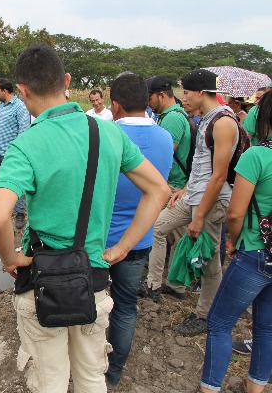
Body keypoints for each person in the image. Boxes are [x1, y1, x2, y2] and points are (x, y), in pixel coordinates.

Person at [0, 44, 169, 393]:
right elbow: (159, 192)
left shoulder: (26, 144)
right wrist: (122, 248)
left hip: (42, 282)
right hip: (94, 276)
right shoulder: (110, 133)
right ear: (67, 80)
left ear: (22, 91)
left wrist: (10, 259)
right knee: (90, 377)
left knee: (49, 381)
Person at [149, 69, 239, 336]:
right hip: (193, 195)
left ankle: (204, 315)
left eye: (187, 93)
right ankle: (157, 285)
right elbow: (202, 166)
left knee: (210, 261)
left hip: (211, 202)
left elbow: (220, 174)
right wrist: (185, 190)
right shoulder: (204, 118)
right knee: (157, 227)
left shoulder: (223, 122)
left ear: (201, 92)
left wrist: (199, 215)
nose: (183, 98)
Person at [198, 91, 272, 393]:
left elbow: (235, 213)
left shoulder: (257, 156)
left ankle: (210, 387)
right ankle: (256, 387)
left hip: (254, 253)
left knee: (219, 323)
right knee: (266, 326)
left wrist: (234, 243)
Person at [105, 73, 174, 388]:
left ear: (115, 105)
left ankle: (89, 365)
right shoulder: (163, 137)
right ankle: (114, 372)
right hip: (140, 239)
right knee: (125, 306)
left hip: (101, 239)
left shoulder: (106, 134)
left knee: (90, 304)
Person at [142, 75, 193, 301]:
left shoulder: (172, 119)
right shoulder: (175, 114)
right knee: (179, 237)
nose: (149, 103)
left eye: (150, 98)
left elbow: (165, 153)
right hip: (178, 184)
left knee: (158, 231)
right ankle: (178, 283)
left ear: (161, 95)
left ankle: (154, 283)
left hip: (172, 185)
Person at [0, 78, 30, 229]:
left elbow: (23, 131)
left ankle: (19, 214)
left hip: (10, 153)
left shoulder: (19, 107)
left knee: (15, 183)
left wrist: (16, 151)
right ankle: (1, 212)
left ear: (4, 91)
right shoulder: (0, 106)